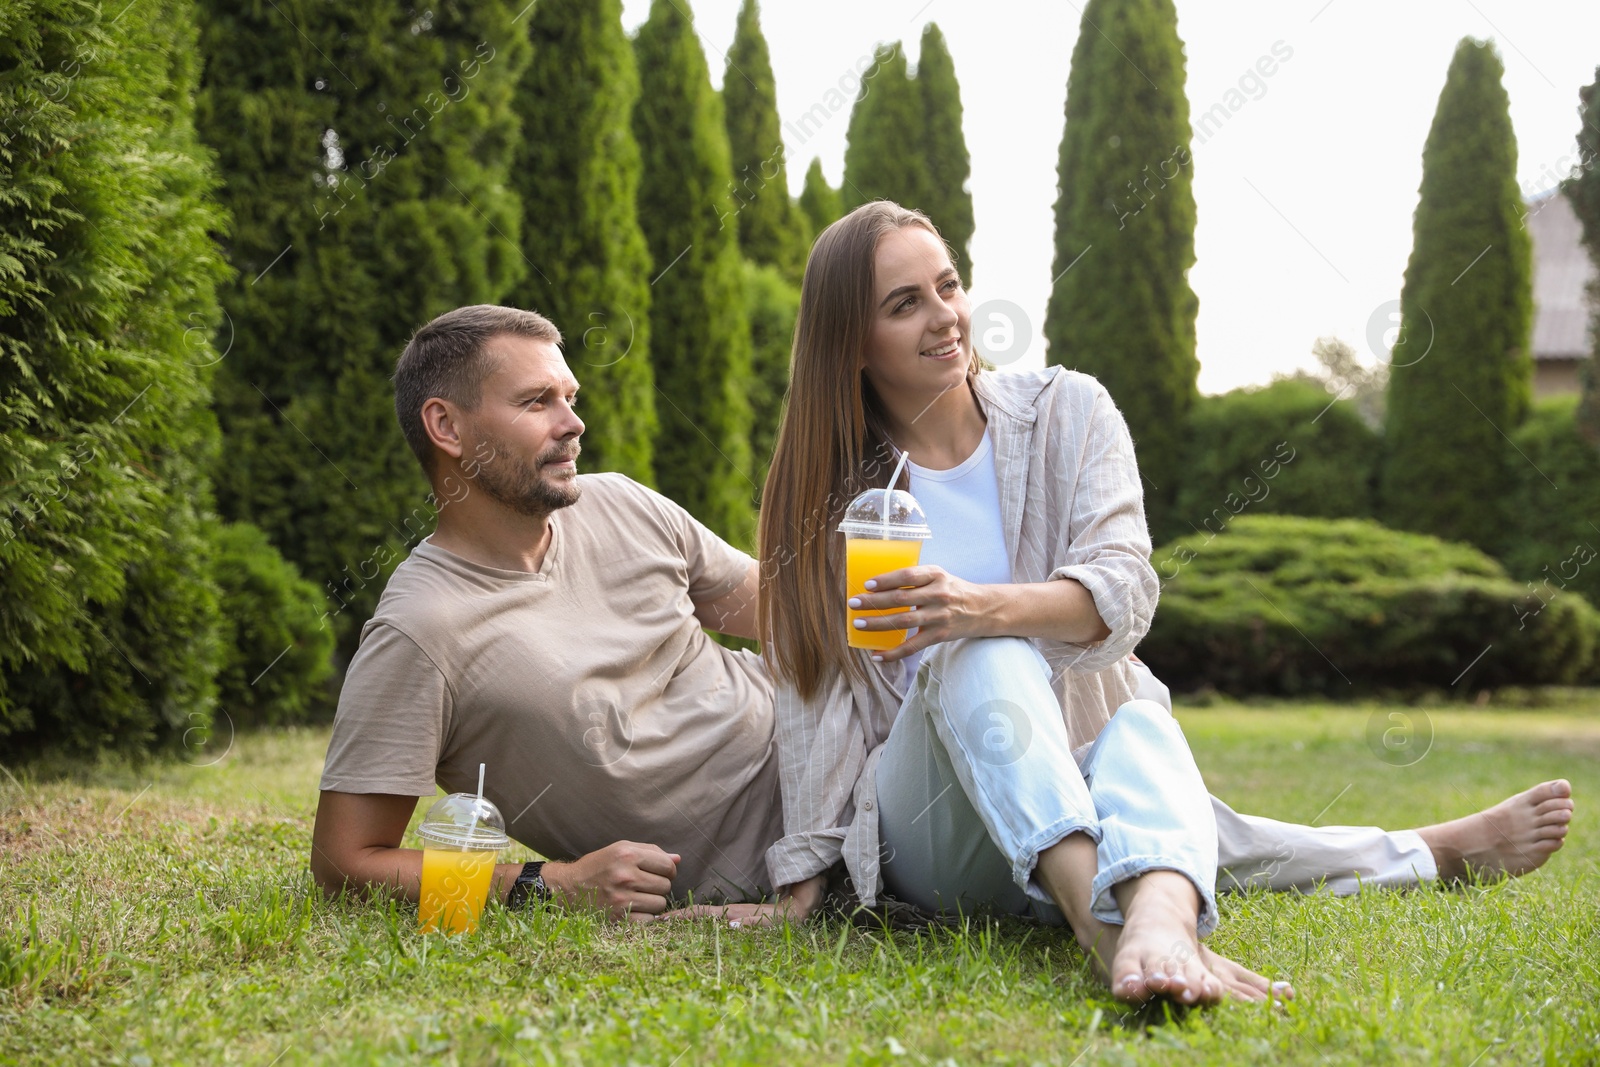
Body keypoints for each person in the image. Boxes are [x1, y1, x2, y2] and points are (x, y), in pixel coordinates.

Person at [308, 303, 1573, 999]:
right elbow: (345, 857)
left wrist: (903, 568)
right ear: (445, 426)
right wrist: (546, 886)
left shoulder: (625, 507)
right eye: (538, 402)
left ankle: (1408, 854)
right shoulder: (424, 628)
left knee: (1105, 699)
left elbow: (788, 614)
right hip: (807, 854)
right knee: (1066, 716)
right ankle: (1410, 855)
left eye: (571, 394)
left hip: (845, 757)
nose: (572, 419)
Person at [749, 202, 1574, 1006]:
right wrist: (803, 879)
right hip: (938, 829)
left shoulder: (1066, 413)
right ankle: (1108, 927)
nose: (946, 317)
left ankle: (1166, 920)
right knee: (985, 653)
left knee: (1141, 728)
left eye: (949, 285)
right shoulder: (827, 507)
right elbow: (814, 701)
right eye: (905, 304)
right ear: (851, 345)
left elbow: (1125, 586)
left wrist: (981, 602)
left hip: (1070, 759)